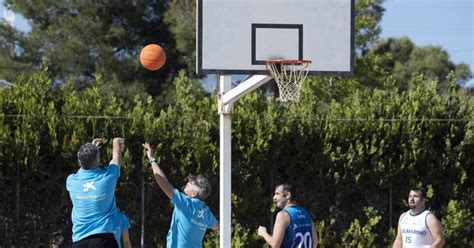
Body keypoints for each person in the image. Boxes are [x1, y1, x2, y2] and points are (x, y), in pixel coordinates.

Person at [142, 142, 219, 248]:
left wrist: (152, 159)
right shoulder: (206, 212)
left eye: (192, 183)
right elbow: (219, 227)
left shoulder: (185, 203)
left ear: (193, 193)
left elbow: (163, 182)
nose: (189, 182)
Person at [66, 137, 132, 248]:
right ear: (97, 160)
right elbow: (116, 159)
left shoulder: (71, 181)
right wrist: (116, 142)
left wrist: (92, 152)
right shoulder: (107, 178)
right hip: (102, 240)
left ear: (80, 161)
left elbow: (82, 169)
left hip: (79, 242)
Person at [257, 182, 318, 248]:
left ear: (288, 195)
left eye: (277, 194)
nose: (274, 198)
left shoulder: (283, 215)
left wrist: (263, 233)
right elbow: (315, 242)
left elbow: (275, 245)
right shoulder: (305, 212)